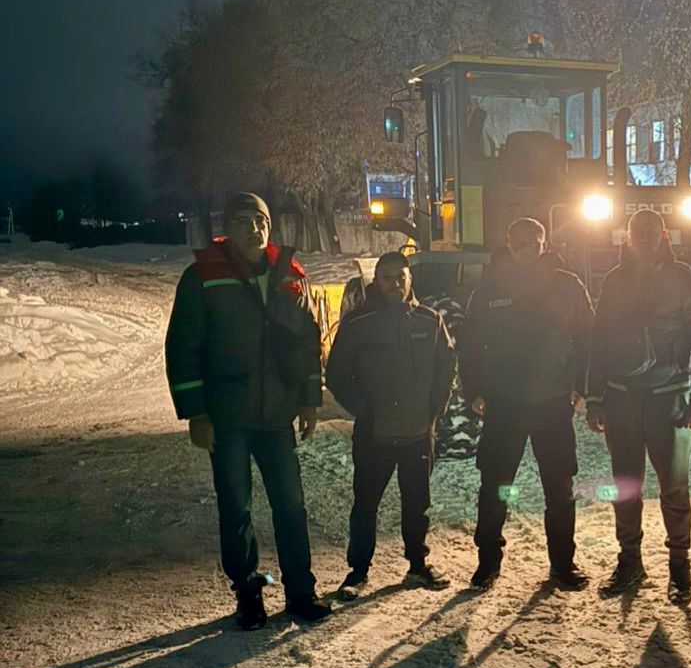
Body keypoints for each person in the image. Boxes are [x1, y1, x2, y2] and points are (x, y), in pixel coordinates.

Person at [165, 192, 331, 628]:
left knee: (291, 506)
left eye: (260, 220)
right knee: (236, 507)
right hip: (228, 417)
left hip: (277, 415)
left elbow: (306, 343)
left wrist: (310, 399)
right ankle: (248, 593)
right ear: (227, 228)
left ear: (269, 225)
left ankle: (300, 593)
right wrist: (196, 413)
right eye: (243, 221)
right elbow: (183, 348)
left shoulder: (290, 274)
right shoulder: (202, 277)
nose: (254, 228)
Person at [587, 208, 691, 604]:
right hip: (622, 400)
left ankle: (680, 569)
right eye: (636, 231)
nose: (643, 237)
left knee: (674, 490)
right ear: (627, 236)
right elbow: (599, 342)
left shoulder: (681, 278)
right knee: (626, 489)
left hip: (670, 403)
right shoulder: (614, 281)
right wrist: (594, 397)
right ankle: (630, 563)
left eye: (650, 231)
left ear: (663, 234)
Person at [458, 217, 593, 591]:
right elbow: (469, 343)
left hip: (552, 404)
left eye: (533, 241)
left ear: (543, 242)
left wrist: (581, 387)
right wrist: (475, 390)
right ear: (509, 243)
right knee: (496, 486)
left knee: (560, 489)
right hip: (504, 404)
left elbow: (588, 339)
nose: (526, 247)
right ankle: (487, 563)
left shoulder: (567, 285)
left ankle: (563, 565)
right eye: (519, 242)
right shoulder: (490, 288)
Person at [324, 251, 456, 593]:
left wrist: (433, 411)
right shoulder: (357, 325)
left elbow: (447, 367)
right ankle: (358, 572)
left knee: (417, 504)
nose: (395, 284)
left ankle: (417, 565)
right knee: (365, 504)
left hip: (417, 433)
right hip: (374, 434)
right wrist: (364, 408)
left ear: (410, 280)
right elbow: (337, 374)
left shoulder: (430, 321)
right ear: (376, 282)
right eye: (387, 278)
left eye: (401, 277)